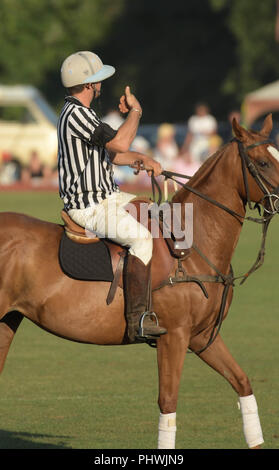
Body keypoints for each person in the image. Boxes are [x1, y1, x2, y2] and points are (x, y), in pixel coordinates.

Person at [58, 51, 167, 343]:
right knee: (142, 238)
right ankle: (138, 321)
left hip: (109, 195)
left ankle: (175, 291)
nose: (101, 85)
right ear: (89, 84)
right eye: (98, 80)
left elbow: (115, 155)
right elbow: (119, 141)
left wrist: (144, 158)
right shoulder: (76, 114)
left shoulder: (84, 113)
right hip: (89, 206)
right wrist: (135, 112)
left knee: (156, 213)